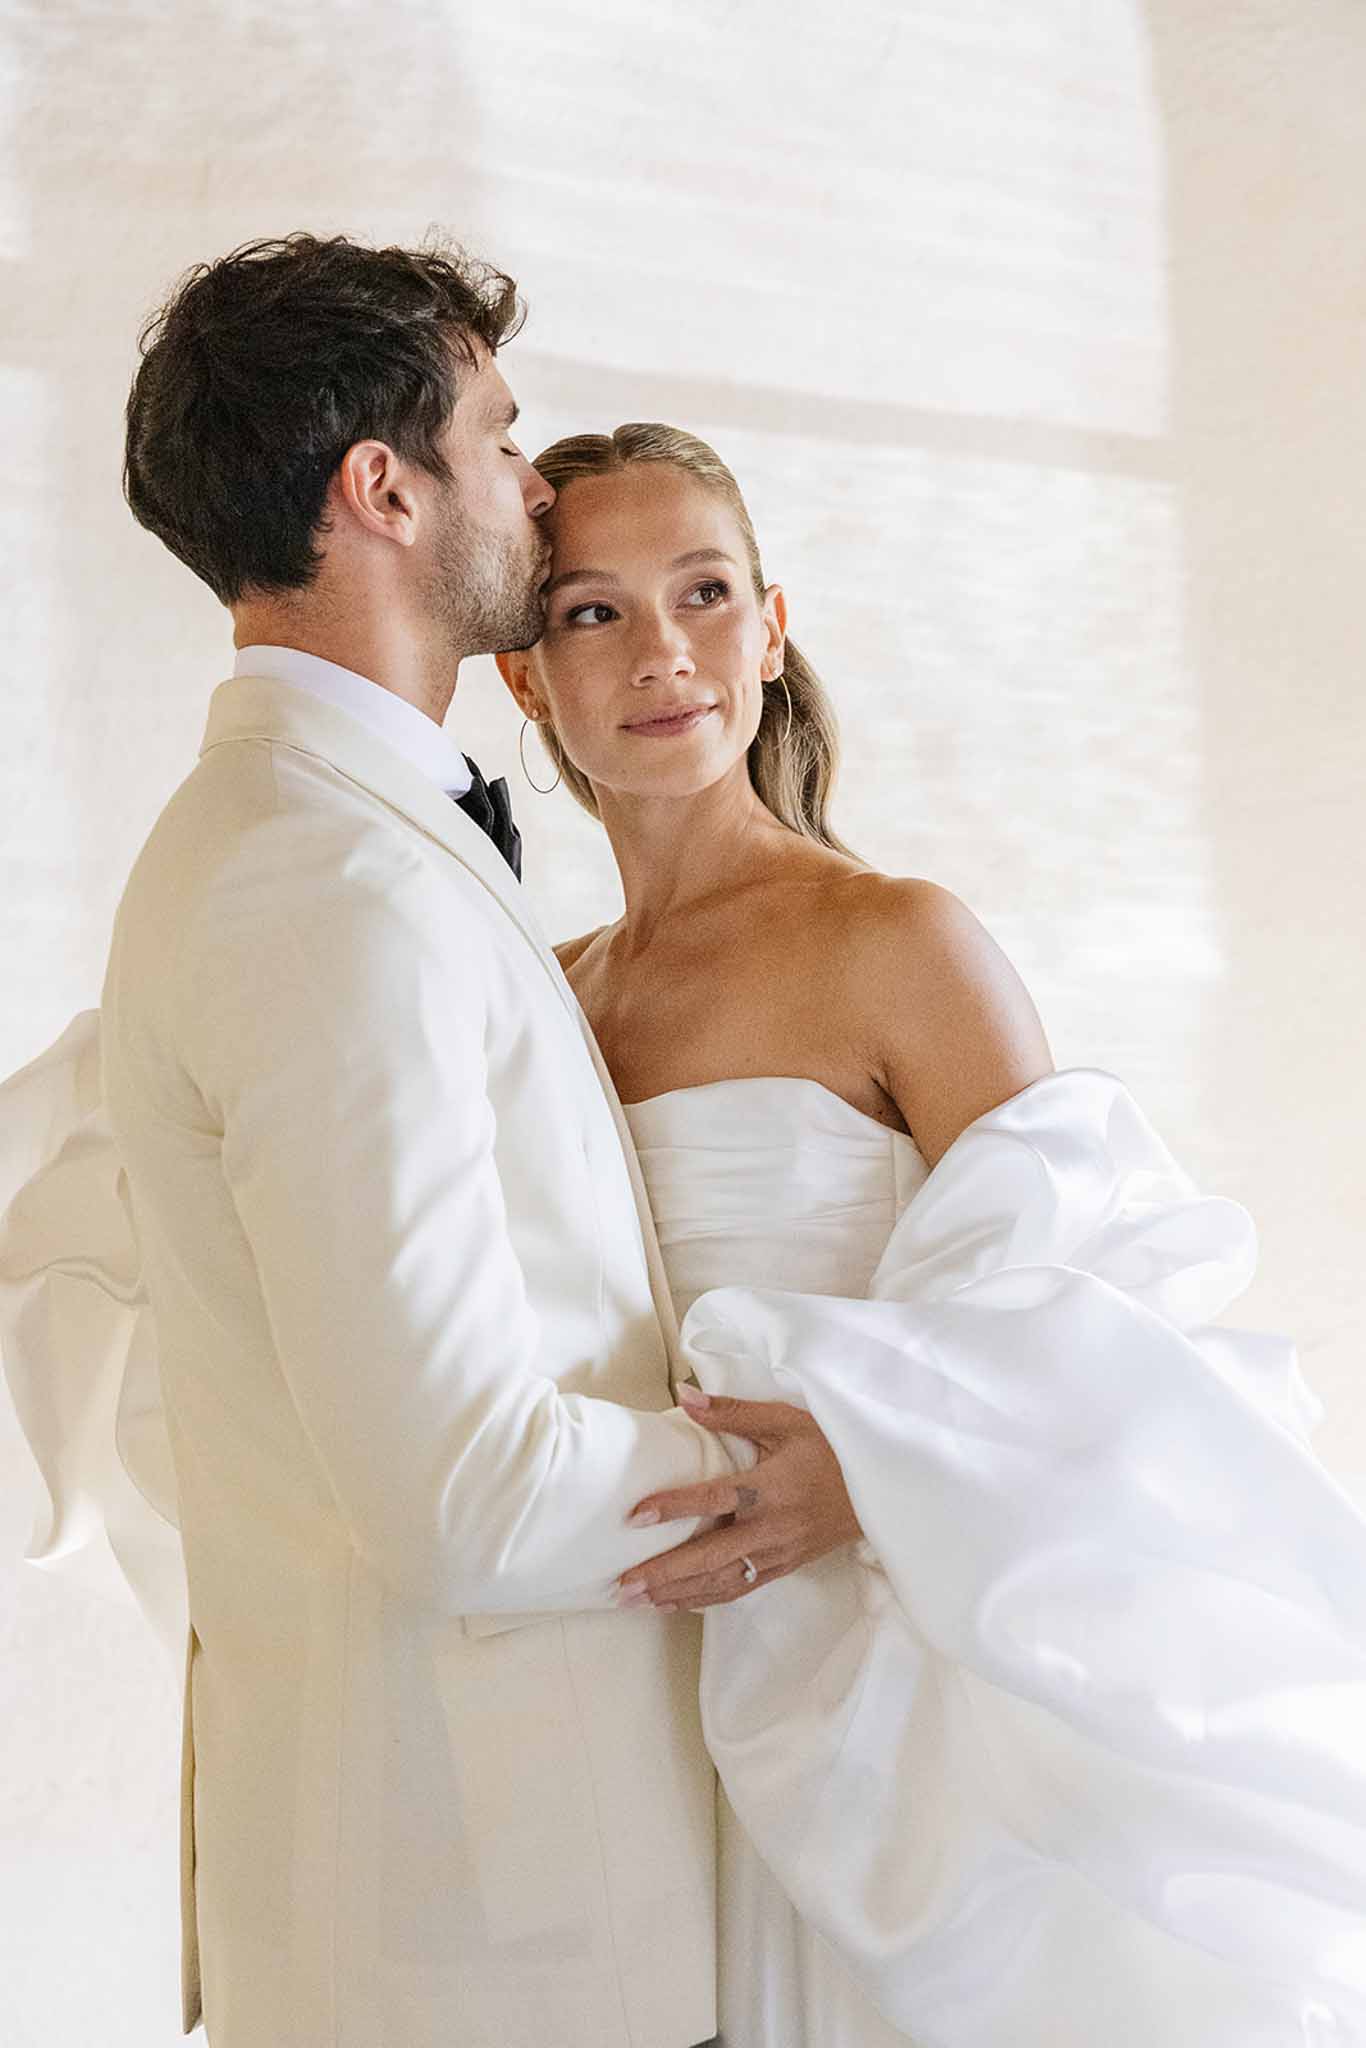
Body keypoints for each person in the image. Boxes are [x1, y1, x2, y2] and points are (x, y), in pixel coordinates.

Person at [0, 237, 863, 2048]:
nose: (535, 490)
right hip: (482, 1938)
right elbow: (464, 1490)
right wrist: (806, 1479)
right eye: (500, 436)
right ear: (383, 491)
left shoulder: (318, 836)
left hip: (483, 1906)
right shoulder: (322, 886)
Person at [495, 423, 1366, 2046]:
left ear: (770, 628)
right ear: (523, 678)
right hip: (635, 1676)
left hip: (882, 1684)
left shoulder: (893, 939)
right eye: (591, 612)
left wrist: (875, 1465)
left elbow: (1095, 1300)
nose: (661, 650)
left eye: (702, 593)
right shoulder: (536, 998)